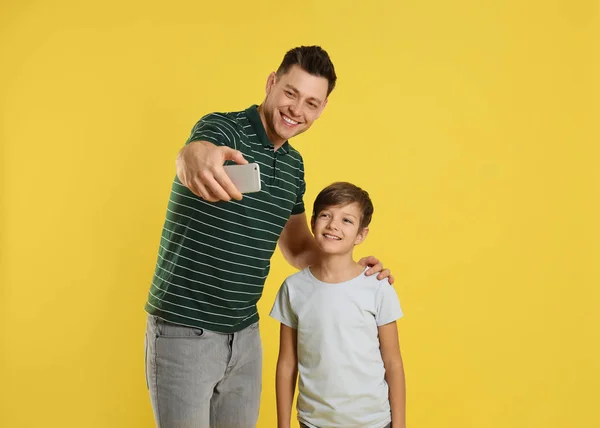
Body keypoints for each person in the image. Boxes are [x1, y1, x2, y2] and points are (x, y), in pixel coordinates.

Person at [144, 46, 395, 428]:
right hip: (184, 330)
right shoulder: (225, 128)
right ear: (272, 83)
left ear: (322, 109)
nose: (297, 110)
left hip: (245, 338)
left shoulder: (294, 167)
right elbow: (196, 153)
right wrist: (194, 158)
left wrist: (354, 271)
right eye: (290, 93)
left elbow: (298, 248)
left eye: (311, 102)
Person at [271, 182, 406, 428]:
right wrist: (283, 424)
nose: (333, 225)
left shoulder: (377, 286)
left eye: (347, 220)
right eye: (326, 215)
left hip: (373, 422)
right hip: (314, 422)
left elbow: (393, 362)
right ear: (312, 223)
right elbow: (287, 363)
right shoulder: (293, 289)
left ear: (361, 235)